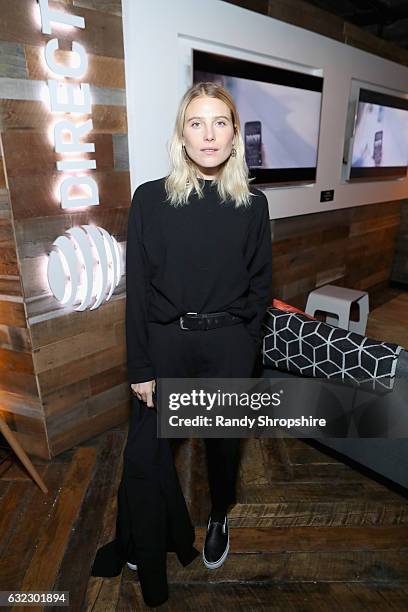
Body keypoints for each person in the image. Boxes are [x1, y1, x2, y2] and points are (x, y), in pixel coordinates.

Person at [91, 82, 272, 607]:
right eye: (197, 122)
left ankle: (218, 516)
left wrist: (245, 344)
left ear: (235, 135)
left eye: (220, 122)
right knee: (147, 454)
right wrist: (140, 366)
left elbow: (261, 285)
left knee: (221, 447)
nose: (209, 134)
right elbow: (139, 291)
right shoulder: (150, 198)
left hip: (228, 348)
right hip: (166, 346)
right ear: (181, 135)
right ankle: (145, 534)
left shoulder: (253, 204)